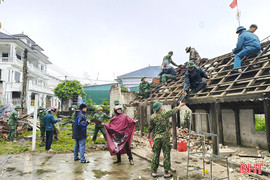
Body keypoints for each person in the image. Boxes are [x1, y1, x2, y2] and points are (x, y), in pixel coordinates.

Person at [148, 101, 185, 178]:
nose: (162, 106)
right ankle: (166, 173)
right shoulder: (165, 114)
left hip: (157, 138)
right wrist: (180, 105)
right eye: (161, 106)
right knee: (166, 155)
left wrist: (148, 134)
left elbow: (150, 127)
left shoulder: (152, 117)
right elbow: (173, 111)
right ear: (159, 108)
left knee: (155, 154)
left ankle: (154, 172)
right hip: (165, 138)